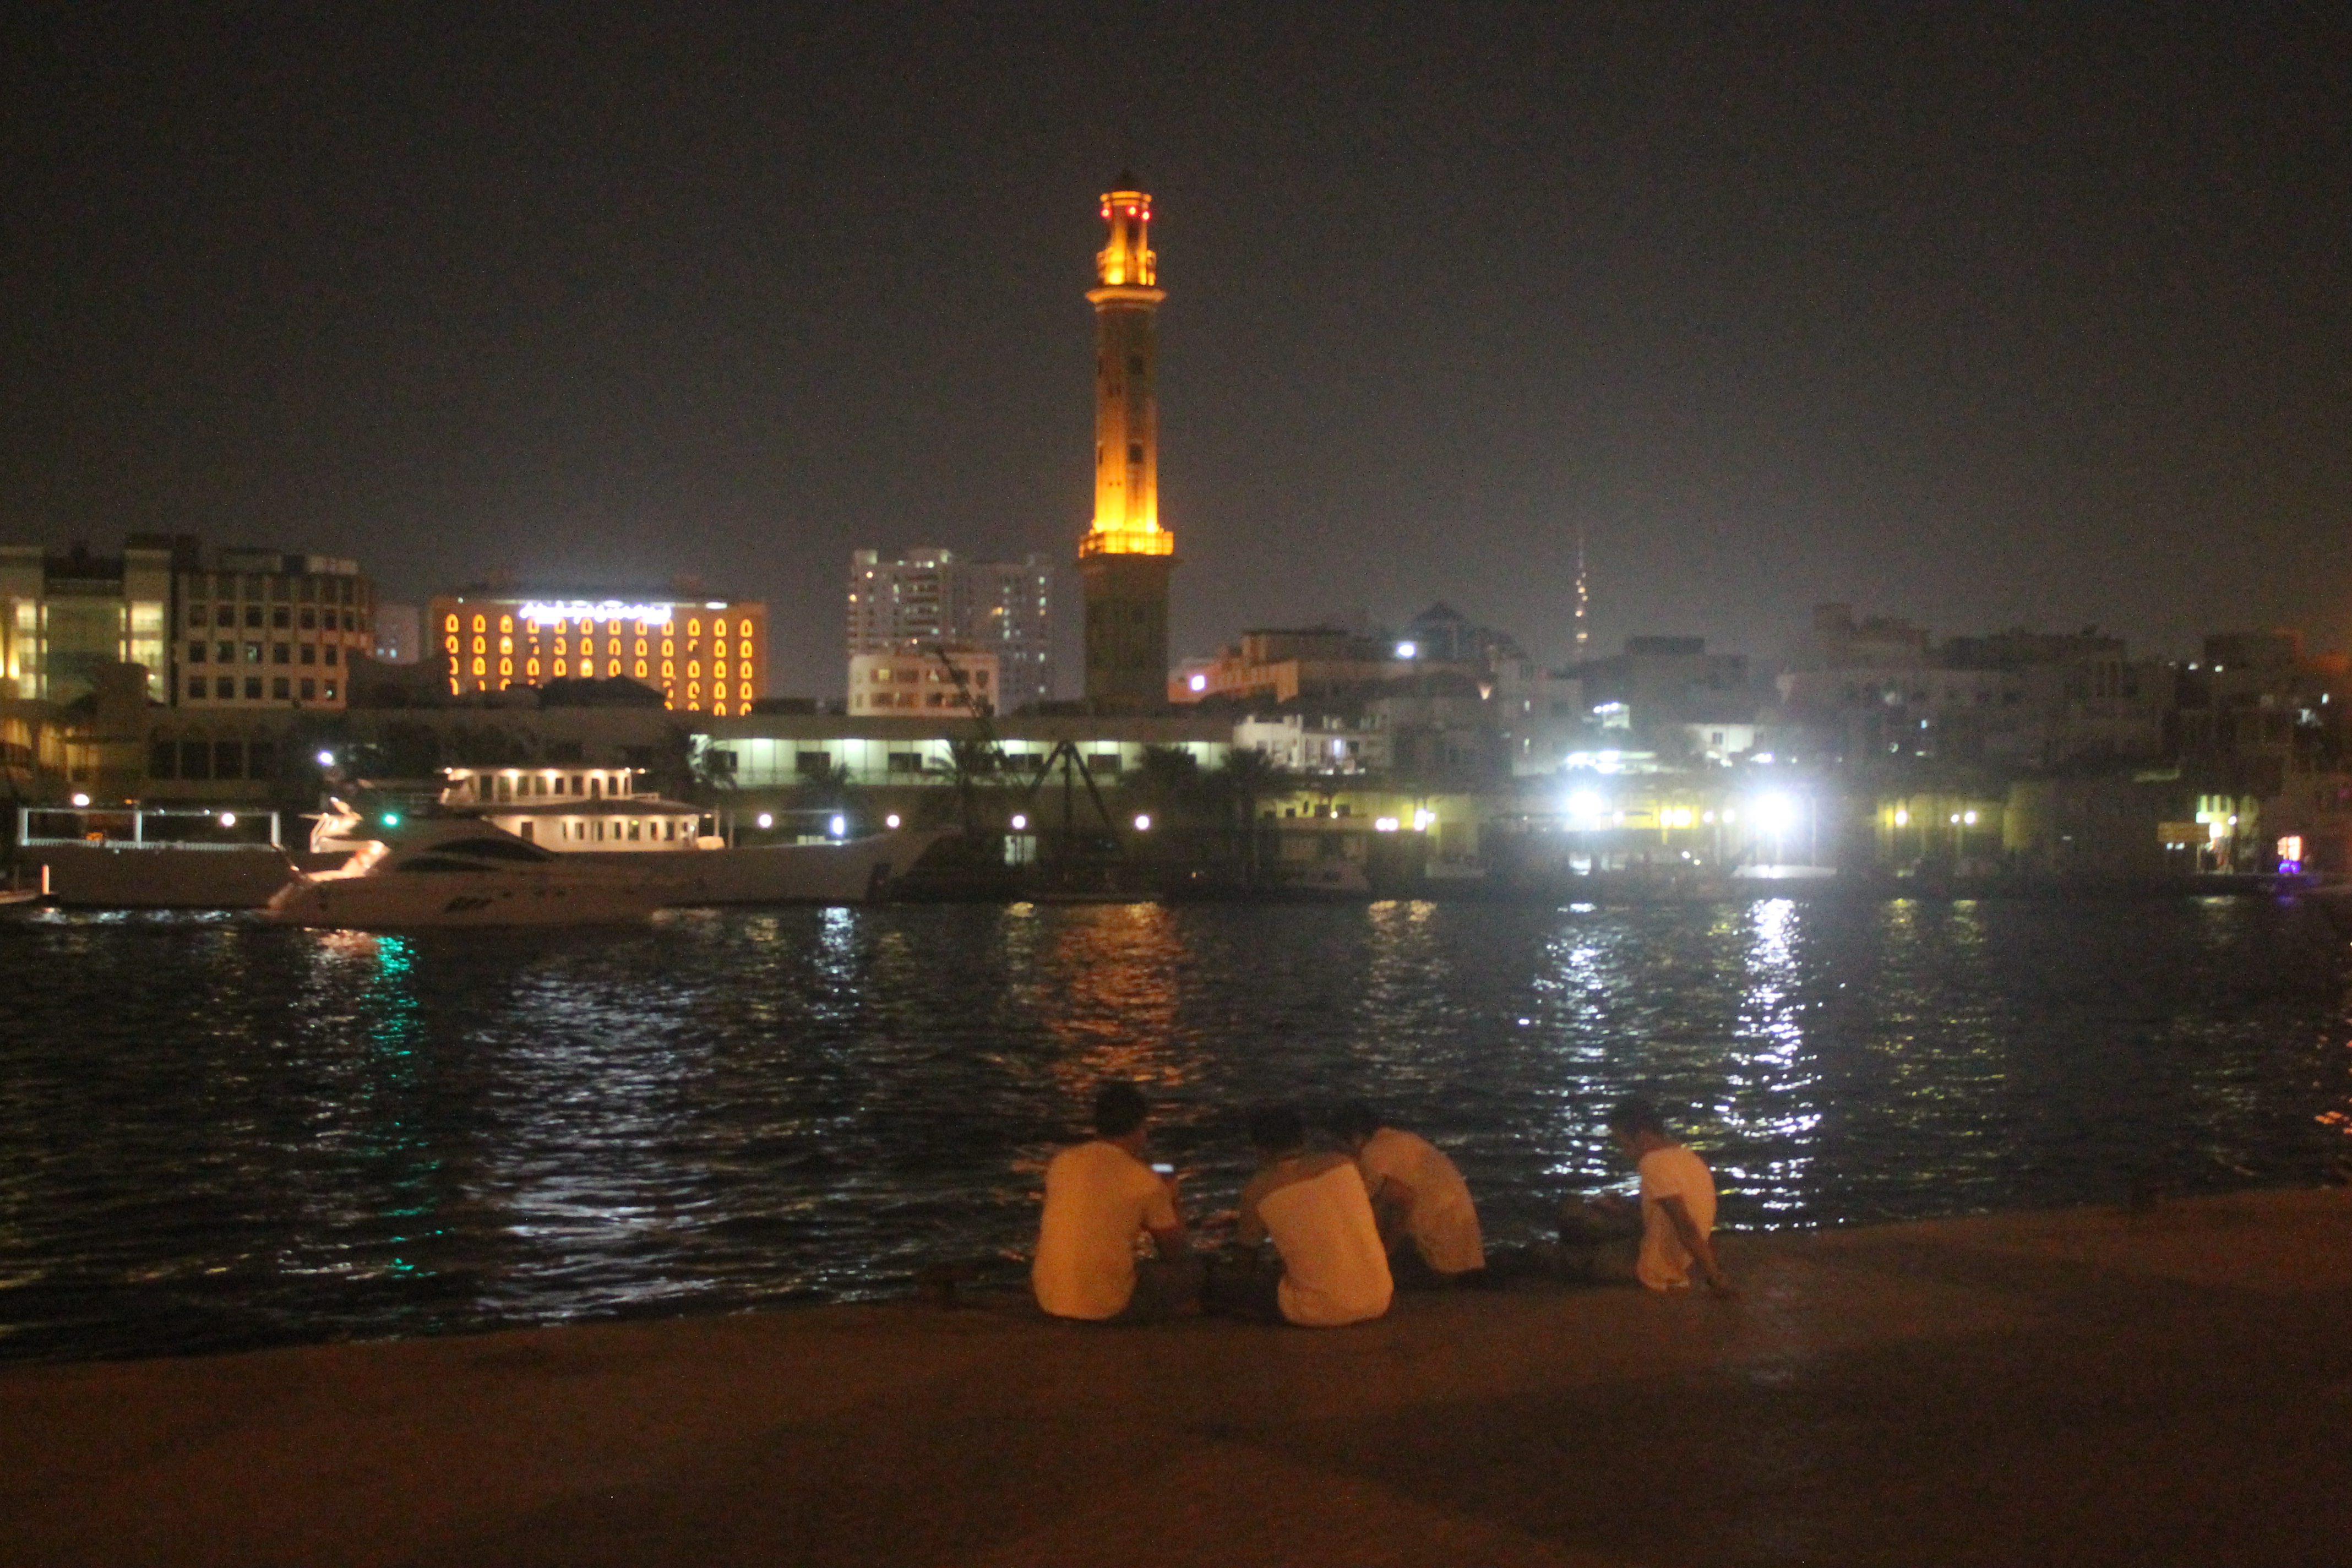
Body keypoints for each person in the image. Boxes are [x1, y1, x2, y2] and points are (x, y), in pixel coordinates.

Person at [1032, 1080, 1196, 1321]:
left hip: (1048, 1299)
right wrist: (1172, 1200)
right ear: (1140, 1129)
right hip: (1108, 1308)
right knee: (1192, 1271)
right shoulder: (1144, 1179)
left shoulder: (1062, 1163)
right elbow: (1175, 1252)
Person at [1228, 1104, 1392, 1327]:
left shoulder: (1258, 1188)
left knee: (1225, 1287)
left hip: (1317, 1311)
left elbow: (1245, 1258)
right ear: (1303, 1140)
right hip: (1379, 1297)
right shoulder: (1344, 1164)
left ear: (1261, 1150)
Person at [1564, 1095, 1732, 1297]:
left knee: (1560, 1254)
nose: (1625, 1152)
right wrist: (1622, 1209)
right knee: (1579, 1220)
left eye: (1624, 1143)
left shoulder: (1653, 1163)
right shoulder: (1684, 1156)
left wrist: (1715, 1277)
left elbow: (1684, 1224)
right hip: (1676, 1252)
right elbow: (1667, 1213)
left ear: (1642, 1137)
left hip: (1658, 1265)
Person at [1330, 1103, 1485, 1285]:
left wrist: (1382, 1255)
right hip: (1467, 1254)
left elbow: (1397, 1205)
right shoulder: (1403, 1141)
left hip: (1439, 1261)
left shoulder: (1373, 1155)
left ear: (1355, 1138)